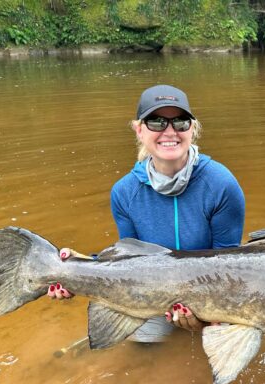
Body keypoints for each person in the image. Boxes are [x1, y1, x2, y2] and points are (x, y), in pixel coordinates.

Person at [50, 84, 245, 341]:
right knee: (143, 338)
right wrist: (80, 266)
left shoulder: (222, 184)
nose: (170, 131)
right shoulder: (124, 192)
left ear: (192, 129)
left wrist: (207, 314)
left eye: (180, 122)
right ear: (139, 130)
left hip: (208, 291)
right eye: (156, 122)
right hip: (153, 292)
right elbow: (129, 261)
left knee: (226, 328)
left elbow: (227, 268)